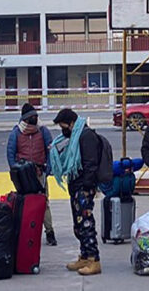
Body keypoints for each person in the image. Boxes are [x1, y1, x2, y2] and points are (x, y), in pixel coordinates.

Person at [50, 109, 101, 276]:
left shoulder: (86, 136)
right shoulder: (75, 136)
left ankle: (94, 260)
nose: (62, 129)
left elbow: (90, 163)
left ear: (71, 123)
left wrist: (87, 187)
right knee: (79, 225)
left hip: (84, 188)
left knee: (86, 224)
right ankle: (85, 256)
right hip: (76, 186)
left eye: (63, 125)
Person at [7, 103, 57, 246]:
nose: (34, 119)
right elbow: (10, 153)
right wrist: (15, 171)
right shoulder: (16, 133)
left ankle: (49, 232)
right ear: (24, 119)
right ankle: (27, 233)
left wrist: (48, 169)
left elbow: (51, 151)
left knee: (44, 203)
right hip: (23, 176)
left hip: (40, 173)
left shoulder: (43, 131)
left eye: (35, 116)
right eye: (31, 117)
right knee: (24, 204)